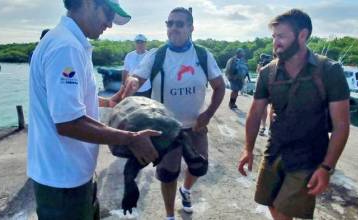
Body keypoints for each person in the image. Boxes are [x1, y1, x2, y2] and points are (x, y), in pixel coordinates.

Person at [27, 0, 160, 219]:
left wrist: (106, 102)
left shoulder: (69, 42)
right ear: (88, 3)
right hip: (63, 181)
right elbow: (69, 123)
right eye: (107, 14)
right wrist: (131, 138)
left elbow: (68, 100)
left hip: (72, 173)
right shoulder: (66, 48)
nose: (110, 24)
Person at [238, 9, 350, 220]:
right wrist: (248, 149)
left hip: (309, 156)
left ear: (302, 35)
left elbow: (341, 125)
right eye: (274, 36)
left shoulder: (329, 71)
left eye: (281, 36)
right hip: (275, 150)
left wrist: (326, 167)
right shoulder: (267, 72)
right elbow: (255, 114)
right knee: (270, 202)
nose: (276, 42)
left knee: (282, 212)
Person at [123, 7, 225, 220]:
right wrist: (131, 82)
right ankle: (169, 215)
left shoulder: (202, 55)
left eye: (179, 23)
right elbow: (136, 78)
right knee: (168, 174)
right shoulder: (157, 55)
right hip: (165, 128)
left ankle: (186, 191)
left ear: (191, 28)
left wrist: (208, 114)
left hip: (195, 126)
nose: (173, 28)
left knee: (199, 167)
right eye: (169, 23)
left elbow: (219, 86)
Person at [256, 53, 273, 136]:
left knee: (264, 108)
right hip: (274, 88)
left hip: (264, 88)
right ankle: (270, 129)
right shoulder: (275, 62)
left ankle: (263, 127)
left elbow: (258, 72)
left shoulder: (262, 64)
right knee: (272, 109)